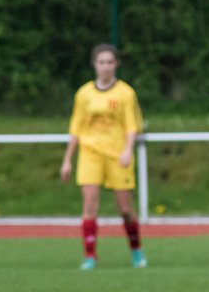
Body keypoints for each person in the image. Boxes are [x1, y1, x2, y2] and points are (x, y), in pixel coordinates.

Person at [59, 43, 146, 269]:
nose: (106, 66)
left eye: (110, 62)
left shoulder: (126, 93)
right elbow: (76, 129)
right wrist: (67, 159)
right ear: (94, 65)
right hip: (90, 154)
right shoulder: (84, 94)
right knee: (89, 206)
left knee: (125, 209)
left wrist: (128, 149)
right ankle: (90, 256)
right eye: (101, 62)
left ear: (116, 64)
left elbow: (131, 126)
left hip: (118, 155)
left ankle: (136, 250)